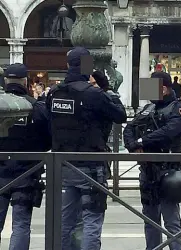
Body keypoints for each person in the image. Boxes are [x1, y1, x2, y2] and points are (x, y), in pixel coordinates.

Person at [46, 47, 127, 250]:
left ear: (67, 65)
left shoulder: (54, 93)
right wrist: (106, 89)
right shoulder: (93, 94)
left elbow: (50, 122)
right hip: (91, 164)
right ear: (87, 66)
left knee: (66, 219)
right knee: (92, 218)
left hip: (63, 164)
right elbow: (120, 115)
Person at [123, 71, 181, 250]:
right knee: (149, 220)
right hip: (147, 171)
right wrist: (132, 145)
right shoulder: (147, 109)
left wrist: (142, 141)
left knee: (171, 222)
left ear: (164, 89)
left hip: (168, 171)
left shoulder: (179, 108)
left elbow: (169, 131)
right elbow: (129, 128)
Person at [0, 63, 51, 250]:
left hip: (0, 170)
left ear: (6, 81)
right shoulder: (36, 106)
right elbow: (48, 139)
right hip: (27, 172)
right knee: (21, 224)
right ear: (25, 81)